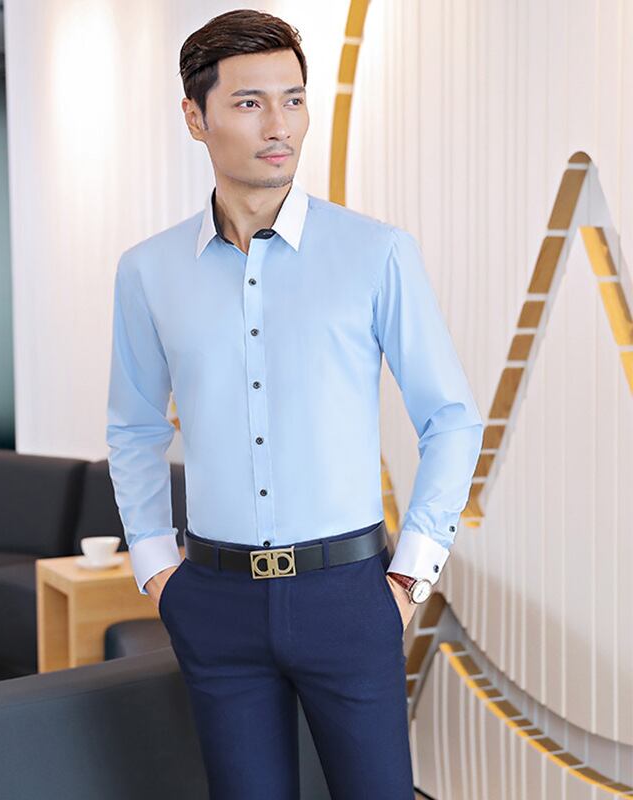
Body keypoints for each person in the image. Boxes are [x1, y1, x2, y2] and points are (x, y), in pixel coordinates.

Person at [106, 9, 484, 799]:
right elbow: (134, 428)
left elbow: (450, 418)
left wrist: (409, 577)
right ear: (195, 117)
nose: (279, 126)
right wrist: (157, 569)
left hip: (349, 595)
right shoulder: (148, 271)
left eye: (294, 99)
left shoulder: (376, 252)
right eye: (249, 103)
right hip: (213, 600)